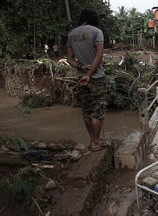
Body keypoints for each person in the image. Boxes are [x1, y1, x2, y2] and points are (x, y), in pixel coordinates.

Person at [66, 9, 107, 151]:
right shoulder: (96, 32)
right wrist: (89, 74)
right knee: (97, 111)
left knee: (87, 111)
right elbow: (99, 54)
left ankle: (92, 140)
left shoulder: (72, 34)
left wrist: (81, 67)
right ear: (94, 19)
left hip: (80, 78)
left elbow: (69, 58)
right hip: (96, 78)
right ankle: (96, 142)